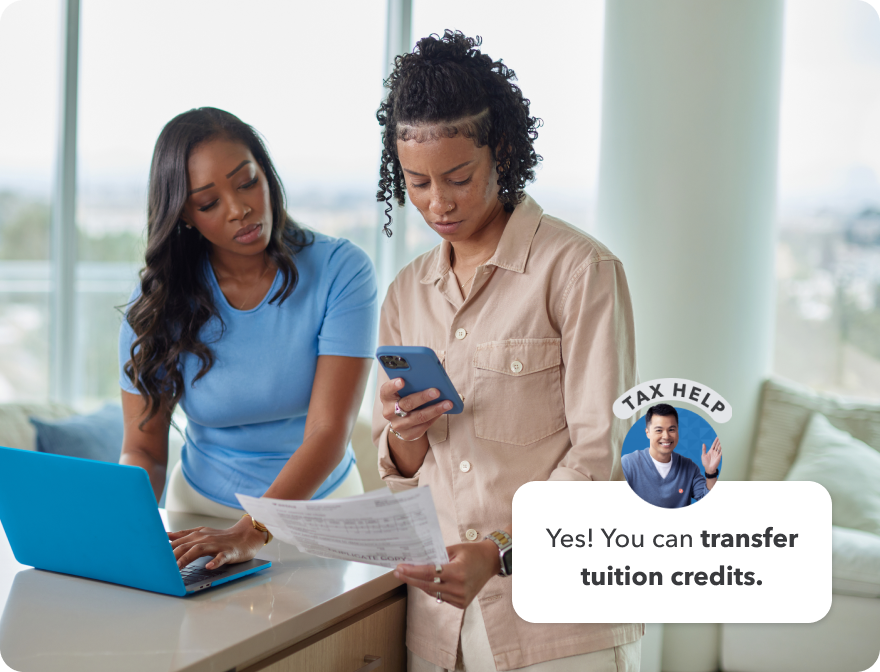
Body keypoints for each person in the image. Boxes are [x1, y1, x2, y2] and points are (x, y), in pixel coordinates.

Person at [372, 31, 642, 672]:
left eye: (459, 178)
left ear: (504, 152)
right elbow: (404, 474)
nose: (438, 202)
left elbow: (603, 456)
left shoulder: (579, 271)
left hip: (560, 629)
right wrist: (406, 434)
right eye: (416, 182)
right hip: (440, 628)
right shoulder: (406, 293)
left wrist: (500, 549)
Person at [119, 108, 377, 571]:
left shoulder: (342, 271)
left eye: (246, 182)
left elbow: (328, 432)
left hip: (321, 512)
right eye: (208, 202)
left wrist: (250, 532)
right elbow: (143, 449)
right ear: (184, 215)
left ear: (267, 175)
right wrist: (125, 531)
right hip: (196, 513)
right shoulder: (159, 302)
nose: (239, 208)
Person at [621, 404, 722, 508]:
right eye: (659, 430)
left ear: (678, 431)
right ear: (648, 433)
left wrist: (711, 472)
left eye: (671, 430)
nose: (666, 436)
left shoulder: (689, 467)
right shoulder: (628, 464)